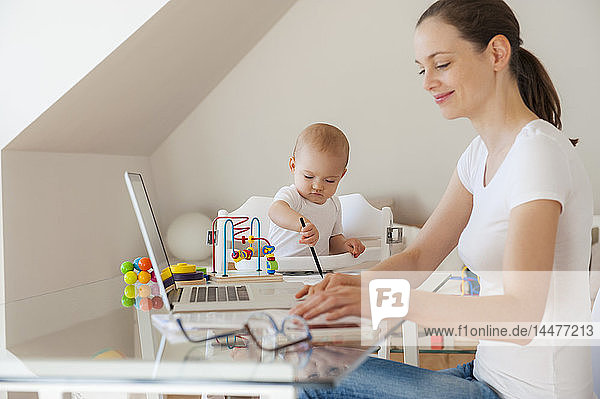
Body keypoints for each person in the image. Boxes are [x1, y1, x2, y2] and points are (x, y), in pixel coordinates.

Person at [291, 0, 593, 398]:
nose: (427, 81)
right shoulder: (479, 155)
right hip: (487, 375)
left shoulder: (537, 153)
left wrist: (384, 300)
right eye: (422, 69)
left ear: (497, 54)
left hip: (530, 392)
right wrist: (350, 286)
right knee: (316, 363)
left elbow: (522, 317)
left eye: (442, 64)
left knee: (312, 379)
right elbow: (419, 258)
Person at [268, 123, 366, 258]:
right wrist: (302, 224)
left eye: (330, 180)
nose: (318, 186)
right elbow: (275, 211)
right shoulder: (292, 195)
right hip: (282, 270)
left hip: (317, 272)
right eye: (309, 176)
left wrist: (345, 245)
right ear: (293, 166)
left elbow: (333, 241)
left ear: (341, 176)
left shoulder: (334, 204)